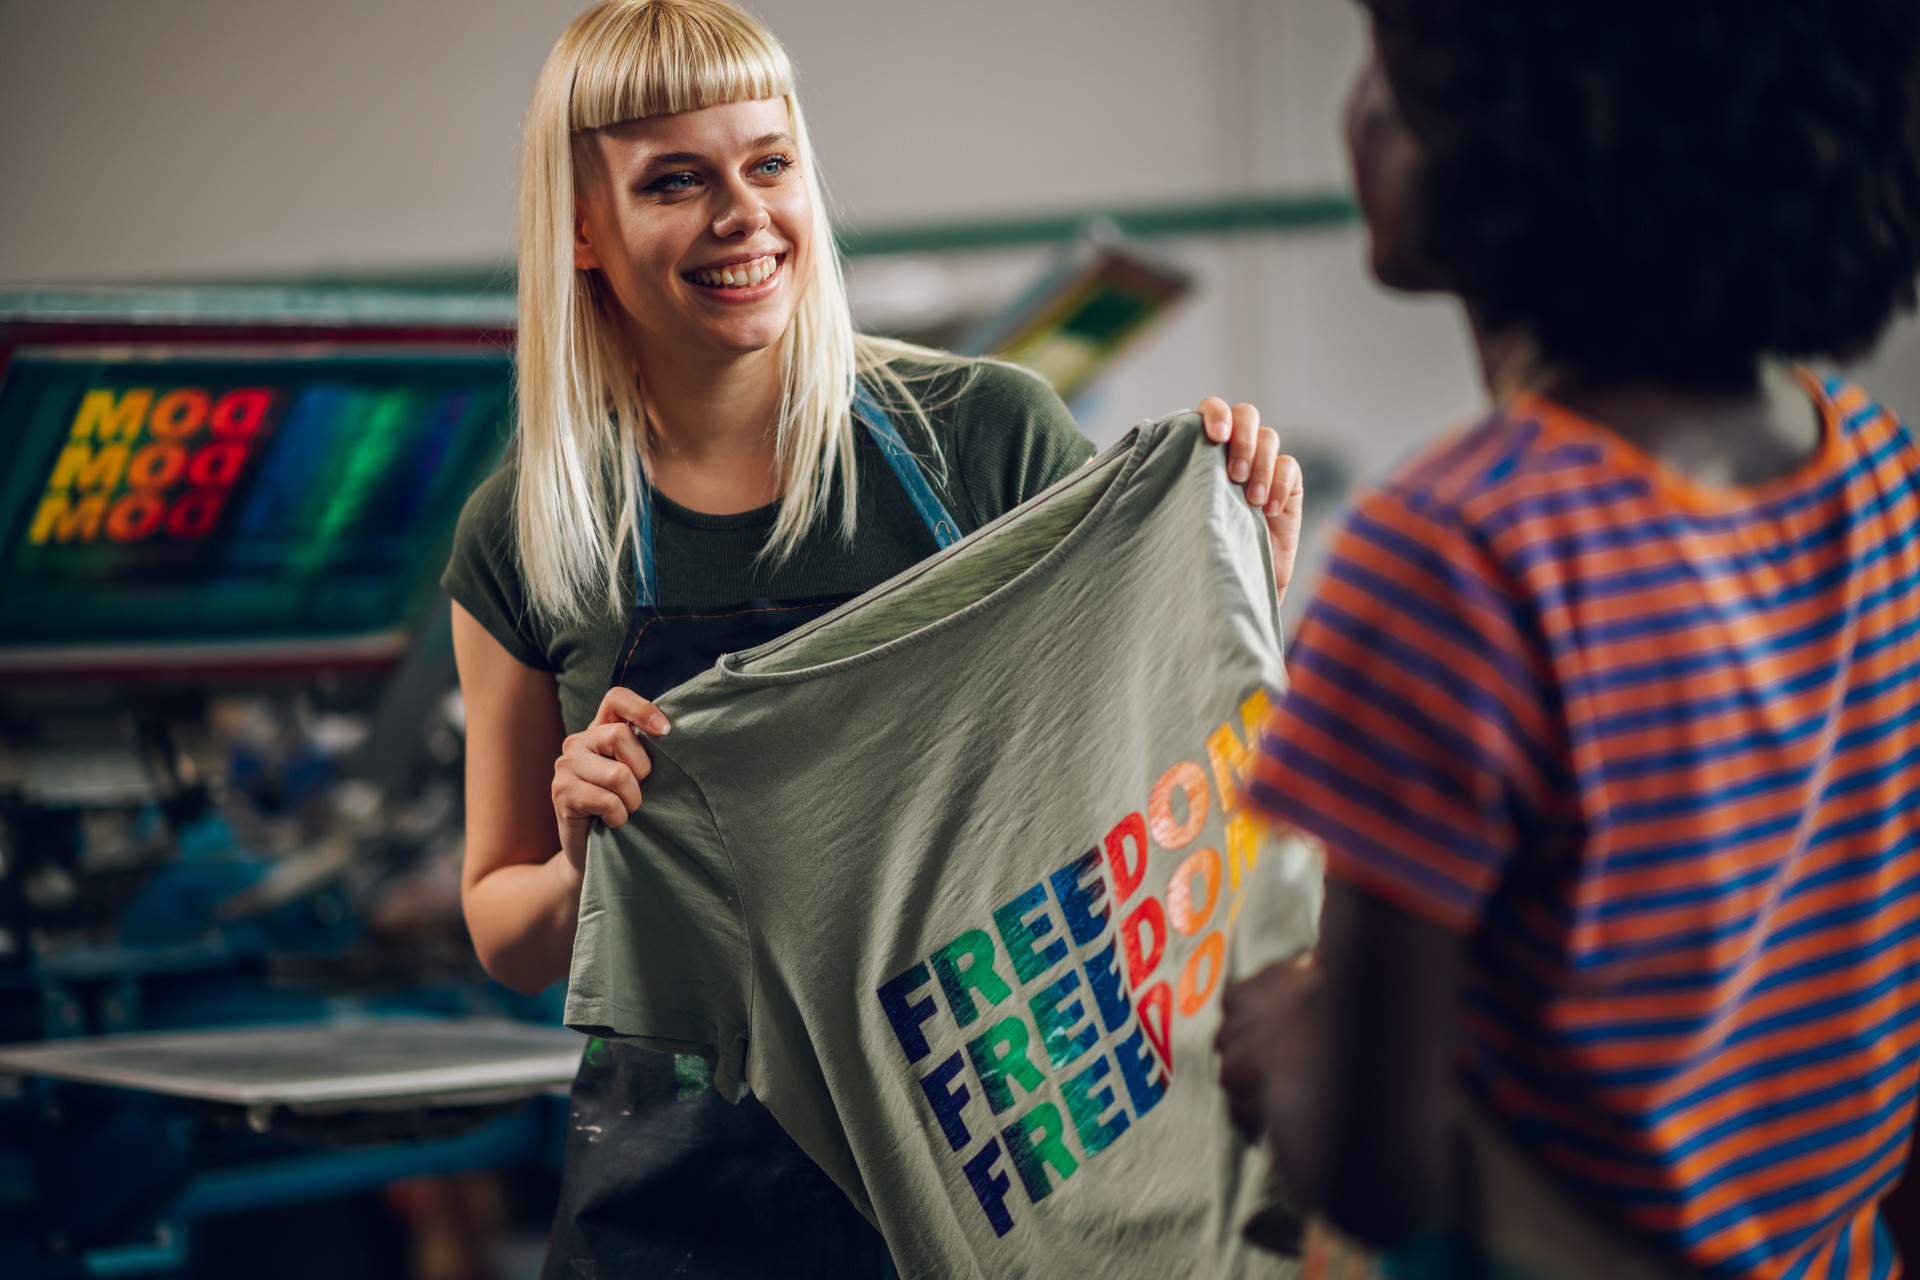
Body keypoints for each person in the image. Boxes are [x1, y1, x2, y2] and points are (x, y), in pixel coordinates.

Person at [441, 2, 1305, 1275]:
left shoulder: (978, 439)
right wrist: (589, 866)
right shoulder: (529, 528)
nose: (741, 214)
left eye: (768, 162)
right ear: (581, 224)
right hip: (680, 1187)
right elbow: (500, 922)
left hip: (986, 1117)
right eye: (675, 180)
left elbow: (1128, 759)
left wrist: (1225, 576)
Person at [1215, 0, 1920, 1277]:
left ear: (1505, 131)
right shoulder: (1875, 469)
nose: (1360, 104)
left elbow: (1377, 1169)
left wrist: (1288, 1033)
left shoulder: (1453, 554)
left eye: (1383, 62)